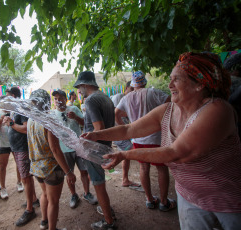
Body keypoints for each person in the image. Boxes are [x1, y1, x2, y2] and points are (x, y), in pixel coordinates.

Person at [82, 52, 241, 229]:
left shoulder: (217, 110)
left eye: (177, 79)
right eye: (170, 78)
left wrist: (125, 154)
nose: (169, 84)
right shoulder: (168, 110)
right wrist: (96, 135)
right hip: (189, 197)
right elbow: (129, 129)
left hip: (229, 201)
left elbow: (177, 153)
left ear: (199, 84)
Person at [113, 71, 174, 211]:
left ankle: (149, 199)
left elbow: (116, 113)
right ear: (145, 82)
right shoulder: (153, 93)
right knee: (161, 168)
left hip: (137, 138)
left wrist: (124, 128)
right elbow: (171, 104)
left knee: (143, 167)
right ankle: (164, 202)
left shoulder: (126, 98)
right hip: (156, 138)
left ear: (133, 84)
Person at [27, 89, 76, 230]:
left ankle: (44, 222)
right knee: (54, 201)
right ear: (46, 102)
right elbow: (55, 150)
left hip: (37, 167)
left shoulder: (31, 119)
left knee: (45, 195)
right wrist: (68, 172)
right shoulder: (48, 120)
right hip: (51, 168)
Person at [73, 71, 116, 230]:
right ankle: (107, 211)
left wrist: (81, 141)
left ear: (85, 85)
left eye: (79, 87)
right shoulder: (106, 97)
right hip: (105, 146)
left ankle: (109, 222)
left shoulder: (90, 100)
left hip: (94, 150)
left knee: (98, 185)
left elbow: (98, 129)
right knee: (100, 183)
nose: (78, 90)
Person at [52, 89, 97, 209]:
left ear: (65, 99)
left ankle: (87, 193)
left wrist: (76, 117)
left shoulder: (74, 109)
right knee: (69, 174)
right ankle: (73, 195)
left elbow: (85, 124)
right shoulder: (52, 115)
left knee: (84, 171)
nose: (58, 101)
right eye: (55, 99)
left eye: (60, 98)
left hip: (79, 147)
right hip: (63, 150)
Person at [3, 87, 39, 227]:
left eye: (7, 96)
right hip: (17, 148)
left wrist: (11, 123)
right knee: (26, 178)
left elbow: (26, 129)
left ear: (12, 95)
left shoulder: (21, 108)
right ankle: (34, 199)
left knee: (26, 178)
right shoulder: (14, 109)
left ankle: (30, 210)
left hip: (23, 148)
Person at [111, 81, 142, 191]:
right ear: (126, 88)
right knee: (134, 152)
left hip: (124, 132)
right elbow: (114, 114)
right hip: (119, 133)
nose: (133, 92)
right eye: (131, 90)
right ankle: (108, 164)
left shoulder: (131, 99)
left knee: (126, 156)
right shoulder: (119, 97)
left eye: (135, 90)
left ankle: (125, 179)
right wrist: (125, 129)